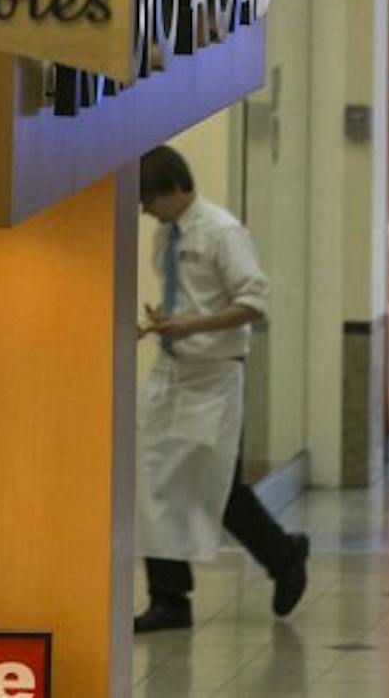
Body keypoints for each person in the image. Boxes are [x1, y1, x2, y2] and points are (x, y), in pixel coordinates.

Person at [133, 145, 309, 634]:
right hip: (173, 373)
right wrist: (163, 326)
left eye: (149, 200)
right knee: (152, 483)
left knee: (217, 486)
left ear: (175, 189)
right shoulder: (167, 234)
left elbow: (255, 300)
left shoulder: (221, 232)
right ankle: (169, 596)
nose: (145, 211)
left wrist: (193, 326)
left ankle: (283, 554)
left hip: (213, 377)